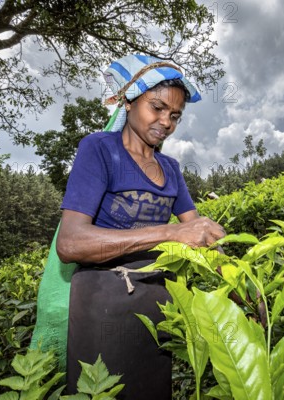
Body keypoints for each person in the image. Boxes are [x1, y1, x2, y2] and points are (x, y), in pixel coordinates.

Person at [34, 54, 226, 398]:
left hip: (157, 307)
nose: (165, 121)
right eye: (157, 107)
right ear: (129, 100)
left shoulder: (170, 168)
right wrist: (169, 232)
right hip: (101, 304)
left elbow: (197, 230)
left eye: (175, 115)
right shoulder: (99, 150)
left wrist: (248, 284)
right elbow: (72, 244)